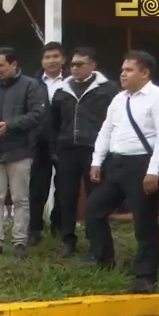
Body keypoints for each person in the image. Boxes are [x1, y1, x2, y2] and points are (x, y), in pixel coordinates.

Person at [86, 50, 159, 293]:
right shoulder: (119, 99)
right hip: (116, 165)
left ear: (145, 73)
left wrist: (153, 171)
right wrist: (97, 161)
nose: (122, 74)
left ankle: (146, 276)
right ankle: (103, 259)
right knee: (94, 210)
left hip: (143, 166)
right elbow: (106, 130)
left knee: (144, 222)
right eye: (122, 69)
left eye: (129, 70)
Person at [0, 47, 47, 258]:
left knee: (20, 198)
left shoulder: (30, 86)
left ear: (14, 65)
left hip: (20, 151)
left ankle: (20, 242)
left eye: (1, 65)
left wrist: (9, 125)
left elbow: (37, 114)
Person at [50, 47, 118, 257]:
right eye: (72, 64)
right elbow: (53, 122)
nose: (75, 68)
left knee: (95, 197)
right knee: (66, 197)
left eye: (80, 64)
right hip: (67, 150)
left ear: (93, 65)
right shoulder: (62, 89)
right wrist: (55, 149)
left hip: (94, 151)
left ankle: (95, 241)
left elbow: (116, 121)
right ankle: (68, 240)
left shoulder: (108, 89)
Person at [29, 41, 67, 246]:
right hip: (39, 142)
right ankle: (34, 229)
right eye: (47, 57)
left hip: (64, 142)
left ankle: (58, 226)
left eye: (55, 56)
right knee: (37, 188)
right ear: (42, 60)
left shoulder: (70, 82)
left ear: (63, 59)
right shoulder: (32, 83)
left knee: (63, 188)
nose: (51, 61)